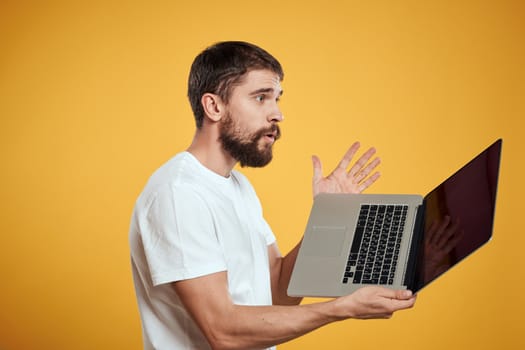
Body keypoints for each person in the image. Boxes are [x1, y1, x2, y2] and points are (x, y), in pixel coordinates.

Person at [129, 41, 417, 350]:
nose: (277, 114)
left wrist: (331, 216)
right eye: (261, 97)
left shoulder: (237, 186)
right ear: (214, 106)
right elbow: (222, 331)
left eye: (277, 98)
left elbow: (278, 291)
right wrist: (341, 308)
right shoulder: (178, 194)